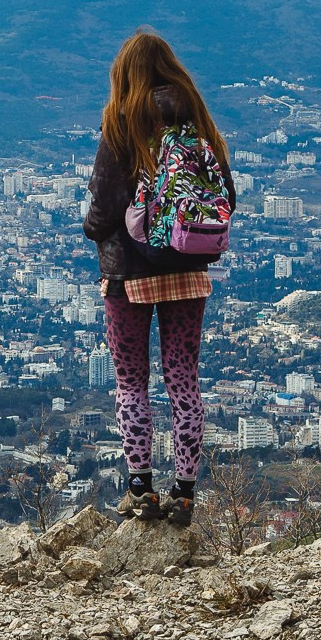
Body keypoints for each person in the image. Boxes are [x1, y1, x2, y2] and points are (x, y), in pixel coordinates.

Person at [82, 30, 235, 526]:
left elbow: (103, 214)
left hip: (128, 277)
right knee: (183, 380)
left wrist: (92, 227)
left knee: (132, 383)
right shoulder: (198, 125)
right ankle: (185, 492)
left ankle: (140, 488)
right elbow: (226, 196)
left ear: (124, 75)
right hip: (188, 273)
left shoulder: (121, 125)